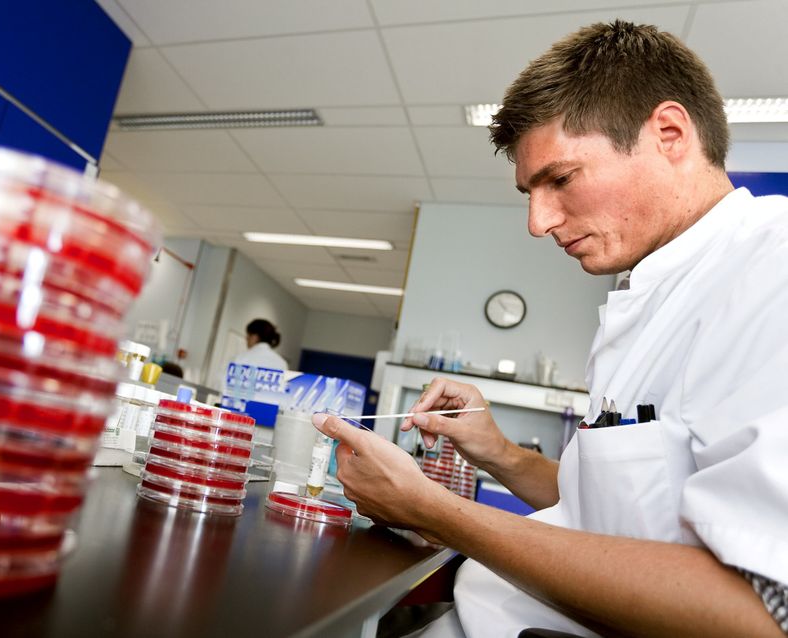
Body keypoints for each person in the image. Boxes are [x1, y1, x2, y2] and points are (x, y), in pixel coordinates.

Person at [312, 20, 788, 638]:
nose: (539, 222)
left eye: (560, 179)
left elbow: (759, 613)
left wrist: (437, 511)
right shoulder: (648, 292)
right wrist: (499, 453)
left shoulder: (769, 271)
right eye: (529, 191)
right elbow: (615, 510)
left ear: (669, 134)